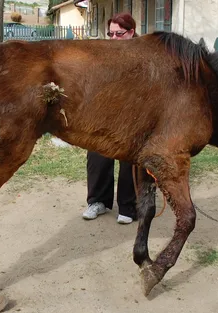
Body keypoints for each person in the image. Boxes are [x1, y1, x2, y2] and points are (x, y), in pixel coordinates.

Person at [82, 12, 139, 224]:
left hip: (133, 117)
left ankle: (128, 206)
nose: (113, 38)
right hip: (105, 116)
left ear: (131, 32)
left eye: (119, 34)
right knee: (97, 156)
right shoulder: (104, 56)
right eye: (110, 34)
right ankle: (98, 201)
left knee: (129, 160)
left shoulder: (143, 56)